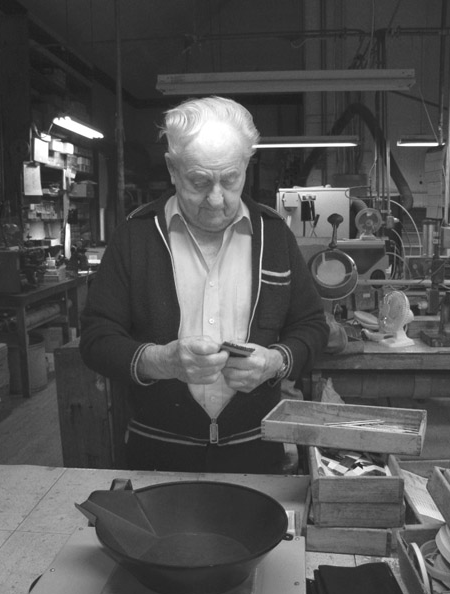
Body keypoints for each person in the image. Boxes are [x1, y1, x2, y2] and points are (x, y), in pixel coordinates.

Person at [79, 96, 329, 474]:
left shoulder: (275, 236)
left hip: (256, 452)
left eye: (230, 179)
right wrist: (159, 361)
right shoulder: (135, 238)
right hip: (158, 456)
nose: (216, 199)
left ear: (246, 165)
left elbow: (312, 327)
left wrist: (275, 361)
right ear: (172, 169)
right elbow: (96, 339)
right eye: (199, 181)